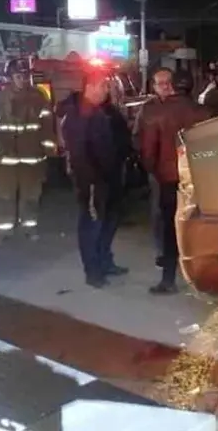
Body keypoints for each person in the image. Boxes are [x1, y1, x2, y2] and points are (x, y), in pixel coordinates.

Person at [139, 68, 209, 294]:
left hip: (169, 179)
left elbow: (148, 151)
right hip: (197, 178)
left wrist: (154, 172)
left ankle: (168, 280)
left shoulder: (157, 114)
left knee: (170, 228)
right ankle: (203, 277)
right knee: (197, 225)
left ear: (173, 86)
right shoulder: (203, 112)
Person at [62, 71, 131, 288]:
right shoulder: (79, 114)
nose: (106, 90)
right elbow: (81, 153)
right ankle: (93, 271)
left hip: (108, 178)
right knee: (92, 225)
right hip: (92, 181)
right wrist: (93, 180)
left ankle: (104, 262)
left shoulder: (100, 111)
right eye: (102, 86)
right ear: (90, 87)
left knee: (108, 223)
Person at [0, 60, 56, 244]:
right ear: (10, 78)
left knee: (31, 196)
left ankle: (29, 227)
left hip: (32, 158)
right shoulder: (1, 99)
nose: (23, 79)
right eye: (18, 76)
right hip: (6, 159)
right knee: (5, 196)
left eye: (25, 75)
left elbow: (47, 126)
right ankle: (3, 231)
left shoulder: (38, 97)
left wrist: (48, 149)